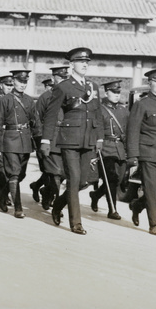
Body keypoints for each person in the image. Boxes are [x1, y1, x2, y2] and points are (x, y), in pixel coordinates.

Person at [41, 48, 104, 235]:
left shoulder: (93, 87)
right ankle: (76, 223)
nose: (85, 64)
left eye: (87, 62)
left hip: (88, 139)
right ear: (71, 65)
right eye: (80, 62)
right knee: (74, 179)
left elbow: (97, 114)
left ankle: (58, 204)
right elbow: (51, 115)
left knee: (84, 181)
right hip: (69, 140)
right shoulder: (63, 87)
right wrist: (45, 139)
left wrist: (100, 137)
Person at [127, 69, 156, 236]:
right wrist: (133, 156)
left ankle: (137, 205)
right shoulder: (142, 105)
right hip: (148, 154)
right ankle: (154, 224)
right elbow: (132, 131)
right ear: (150, 83)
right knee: (151, 189)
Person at [0, 70, 36, 218]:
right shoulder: (5, 100)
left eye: (25, 82)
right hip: (10, 140)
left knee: (20, 174)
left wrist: (41, 141)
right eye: (19, 82)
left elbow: (35, 123)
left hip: (25, 141)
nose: (22, 85)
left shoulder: (30, 101)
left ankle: (3, 193)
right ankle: (18, 208)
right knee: (14, 173)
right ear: (14, 82)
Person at [30, 65, 68, 210]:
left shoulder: (71, 95)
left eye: (66, 77)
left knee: (62, 173)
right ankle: (54, 201)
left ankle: (44, 190)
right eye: (60, 77)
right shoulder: (46, 97)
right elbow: (37, 120)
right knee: (55, 173)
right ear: (53, 78)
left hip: (66, 139)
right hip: (50, 138)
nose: (63, 80)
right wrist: (40, 141)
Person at [90, 80, 129, 220]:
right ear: (106, 93)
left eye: (118, 92)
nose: (117, 95)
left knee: (118, 179)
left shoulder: (124, 110)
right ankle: (112, 209)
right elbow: (95, 130)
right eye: (114, 92)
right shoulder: (99, 110)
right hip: (105, 148)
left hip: (120, 148)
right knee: (111, 178)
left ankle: (95, 195)